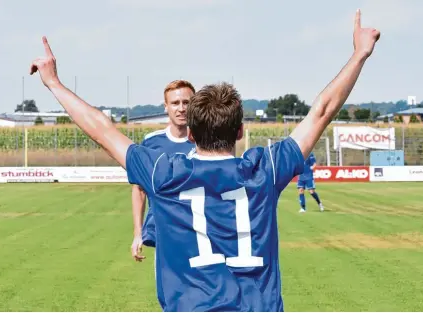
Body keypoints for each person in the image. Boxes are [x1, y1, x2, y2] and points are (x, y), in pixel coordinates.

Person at [30, 9, 379, 311]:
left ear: (191, 134)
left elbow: (102, 129)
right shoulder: (265, 169)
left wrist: (54, 83)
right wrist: (360, 54)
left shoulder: (163, 172)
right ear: (241, 131)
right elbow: (321, 112)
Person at [130, 80, 196, 264]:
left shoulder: (206, 141)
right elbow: (139, 190)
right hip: (165, 234)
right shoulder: (151, 143)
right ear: (166, 107)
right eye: (175, 103)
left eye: (187, 102)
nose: (181, 108)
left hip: (200, 234)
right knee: (169, 291)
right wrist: (138, 233)